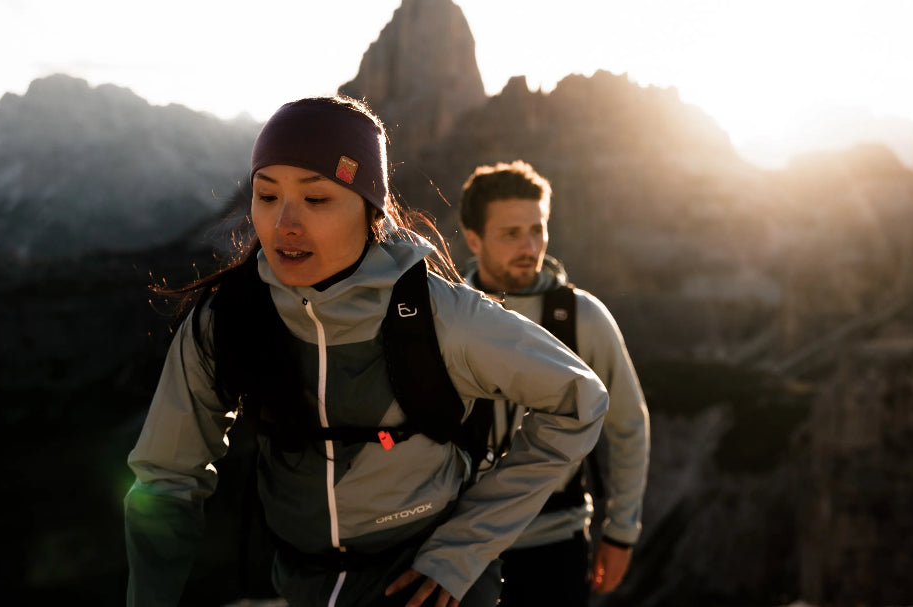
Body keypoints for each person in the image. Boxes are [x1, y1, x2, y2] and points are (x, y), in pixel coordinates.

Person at [123, 96, 610, 607]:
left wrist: (461, 550)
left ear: (370, 208)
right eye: (266, 196)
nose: (285, 223)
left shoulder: (441, 316)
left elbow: (578, 399)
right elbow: (167, 477)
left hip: (426, 589)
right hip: (301, 586)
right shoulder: (226, 319)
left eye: (317, 200)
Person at [458, 160, 650, 606]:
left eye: (537, 230)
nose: (530, 247)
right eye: (510, 234)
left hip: (555, 548)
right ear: (473, 238)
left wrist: (620, 534)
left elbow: (628, 426)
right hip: (456, 549)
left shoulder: (583, 318)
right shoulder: (447, 314)